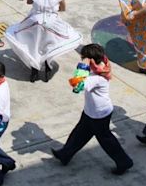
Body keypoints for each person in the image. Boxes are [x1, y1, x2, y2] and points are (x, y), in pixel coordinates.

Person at [52, 44, 134, 175]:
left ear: (90, 60)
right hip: (91, 111)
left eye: (84, 57)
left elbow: (76, 86)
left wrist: (83, 66)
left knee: (106, 140)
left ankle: (124, 161)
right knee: (79, 133)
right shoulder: (100, 65)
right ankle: (65, 154)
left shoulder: (97, 77)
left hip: (99, 115)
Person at [5, 0, 83, 82]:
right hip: (51, 23)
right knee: (49, 45)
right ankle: (47, 67)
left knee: (33, 46)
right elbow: (63, 8)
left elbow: (29, 2)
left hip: (34, 21)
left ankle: (34, 72)